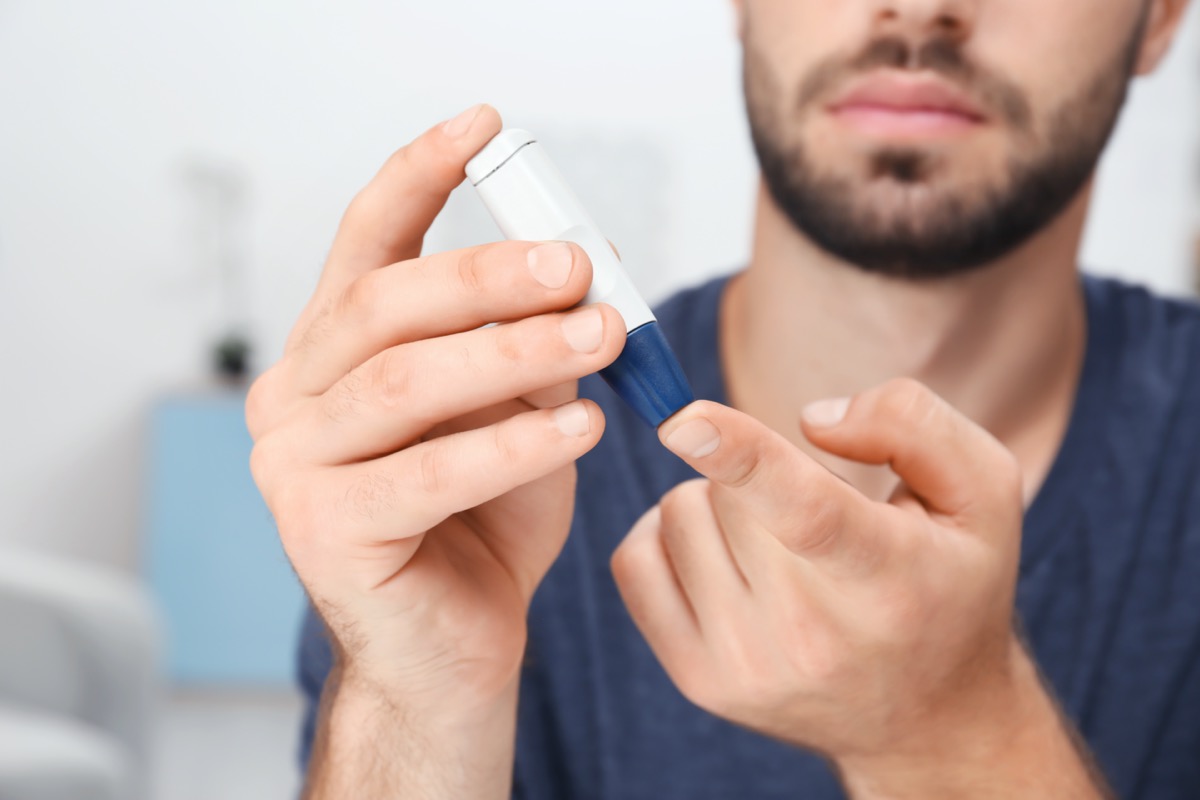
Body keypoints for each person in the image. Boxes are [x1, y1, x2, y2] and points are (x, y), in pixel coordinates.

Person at [245, 0, 1200, 796]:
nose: (918, 8)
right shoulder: (479, 476)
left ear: (1160, 18)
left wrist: (954, 740)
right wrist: (417, 702)